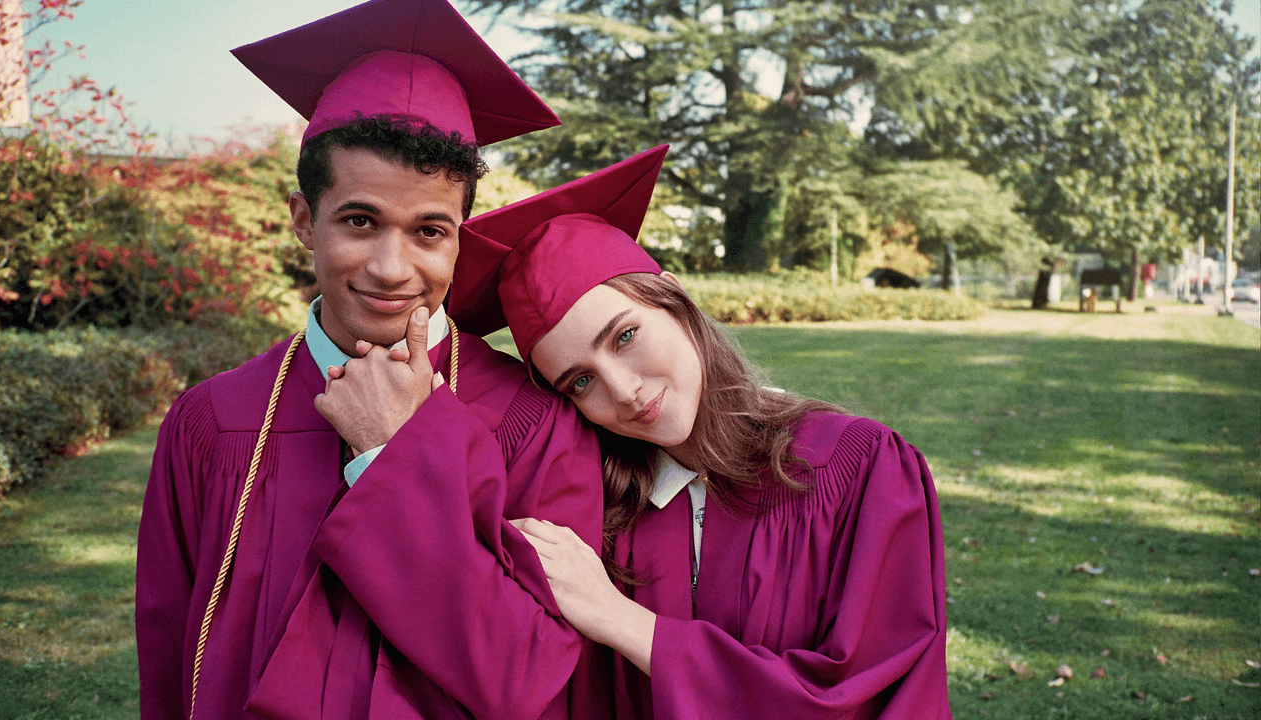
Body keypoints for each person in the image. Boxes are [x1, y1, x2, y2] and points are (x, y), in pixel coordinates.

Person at [135, 1, 603, 719]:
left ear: (460, 236)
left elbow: (532, 675)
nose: (392, 267)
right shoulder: (212, 422)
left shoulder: (534, 423)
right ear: (302, 221)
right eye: (360, 220)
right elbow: (171, 653)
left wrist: (391, 456)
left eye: (429, 231)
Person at [447, 145, 953, 719]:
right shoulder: (605, 518)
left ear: (677, 297)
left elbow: (870, 696)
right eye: (580, 381)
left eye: (625, 337)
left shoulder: (858, 469)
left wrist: (623, 622)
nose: (623, 390)